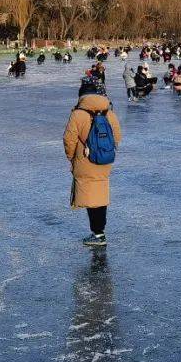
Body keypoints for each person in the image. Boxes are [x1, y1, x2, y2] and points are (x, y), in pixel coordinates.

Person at [63, 81, 123, 246]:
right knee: (100, 194)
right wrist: (107, 150)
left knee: (90, 197)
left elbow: (69, 139)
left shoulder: (78, 114)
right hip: (105, 159)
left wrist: (72, 157)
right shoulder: (108, 112)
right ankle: (99, 231)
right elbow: (117, 135)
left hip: (85, 160)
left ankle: (97, 234)